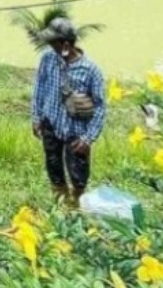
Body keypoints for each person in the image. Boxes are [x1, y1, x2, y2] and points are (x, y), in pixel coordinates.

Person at [30, 18, 107, 207]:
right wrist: (36, 116)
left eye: (53, 42)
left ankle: (76, 203)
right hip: (51, 123)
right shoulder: (48, 59)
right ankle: (60, 200)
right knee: (53, 166)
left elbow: (100, 106)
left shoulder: (91, 71)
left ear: (65, 44)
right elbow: (39, 87)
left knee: (78, 174)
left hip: (77, 133)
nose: (49, 46)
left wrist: (88, 138)